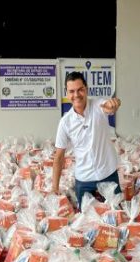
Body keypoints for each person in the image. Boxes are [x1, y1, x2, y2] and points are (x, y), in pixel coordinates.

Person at [52, 71, 122, 209]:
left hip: (108, 173)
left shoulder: (98, 106)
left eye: (80, 90)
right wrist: (55, 187)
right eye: (72, 91)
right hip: (84, 179)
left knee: (115, 214)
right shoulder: (65, 122)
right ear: (67, 94)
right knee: (85, 218)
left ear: (86, 89)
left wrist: (114, 104)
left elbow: (110, 106)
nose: (76, 95)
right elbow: (59, 157)